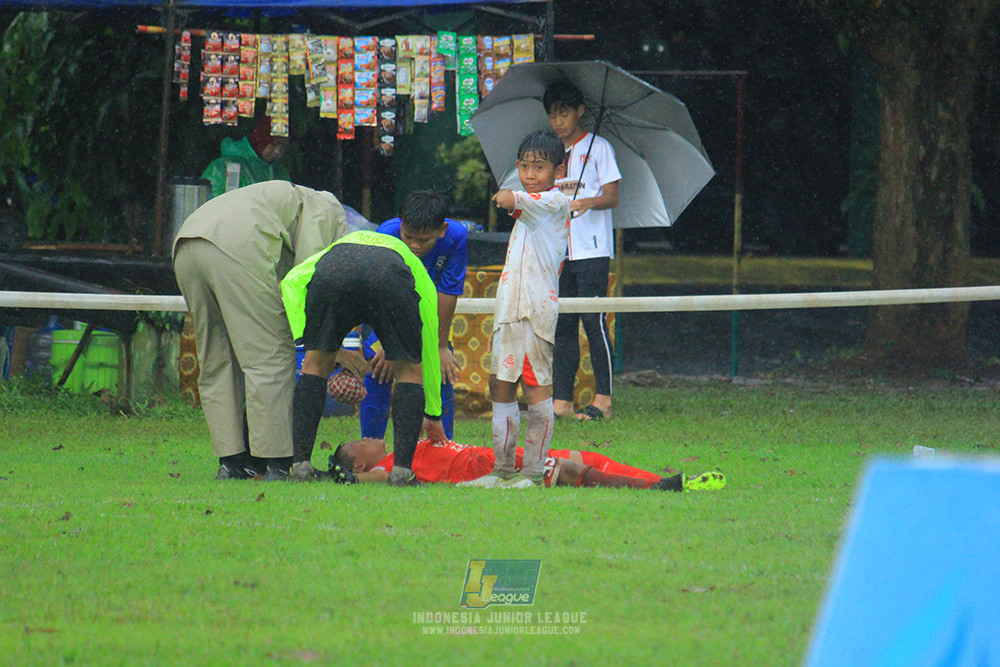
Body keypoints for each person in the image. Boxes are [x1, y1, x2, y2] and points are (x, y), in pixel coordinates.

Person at [172, 180, 354, 481]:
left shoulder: (280, 199)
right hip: (235, 245)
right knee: (270, 355)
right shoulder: (326, 206)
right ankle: (277, 464)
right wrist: (335, 349)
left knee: (217, 358)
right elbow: (310, 273)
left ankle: (231, 462)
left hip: (187, 243)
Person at [281, 230, 447, 486]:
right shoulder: (415, 268)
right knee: (409, 371)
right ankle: (402, 473)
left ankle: (301, 466)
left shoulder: (333, 249)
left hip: (334, 272)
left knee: (314, 366)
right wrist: (433, 412)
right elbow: (428, 348)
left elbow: (291, 281)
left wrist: (307, 343)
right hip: (389, 280)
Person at [464, 129, 570, 490]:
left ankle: (533, 473)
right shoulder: (533, 204)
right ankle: (502, 470)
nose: (529, 173)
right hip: (509, 309)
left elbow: (509, 197)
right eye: (524, 166)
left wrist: (506, 193)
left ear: (560, 169)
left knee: (536, 387)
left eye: (538, 167)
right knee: (501, 385)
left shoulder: (554, 203)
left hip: (534, 313)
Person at [544, 80, 623, 422]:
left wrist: (586, 201)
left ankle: (603, 400)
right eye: (552, 114)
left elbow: (612, 195)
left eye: (564, 112)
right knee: (562, 324)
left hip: (592, 248)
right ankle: (562, 400)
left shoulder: (599, 147)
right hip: (559, 250)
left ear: (579, 112)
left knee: (593, 322)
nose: (558, 121)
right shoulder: (549, 152)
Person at [360, 190, 467, 441]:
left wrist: (440, 346)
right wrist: (389, 342)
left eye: (424, 240)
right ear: (400, 224)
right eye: (409, 237)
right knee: (378, 370)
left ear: (442, 230)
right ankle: (371, 448)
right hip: (385, 311)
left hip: (429, 315)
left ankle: (442, 450)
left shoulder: (455, 237)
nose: (415, 246)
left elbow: (448, 292)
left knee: (440, 373)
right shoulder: (386, 233)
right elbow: (378, 293)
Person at [328, 437, 727, 493]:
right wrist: (340, 476)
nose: (368, 437)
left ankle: (671, 481)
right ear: (361, 464)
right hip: (482, 466)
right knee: (567, 471)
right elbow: (364, 482)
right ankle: (657, 489)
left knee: (582, 457)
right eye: (360, 443)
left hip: (492, 451)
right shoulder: (385, 467)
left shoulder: (403, 444)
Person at [200, 115, 291, 198]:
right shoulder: (221, 168)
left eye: (283, 147)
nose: (277, 152)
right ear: (261, 140)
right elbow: (212, 207)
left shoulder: (280, 173)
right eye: (274, 144)